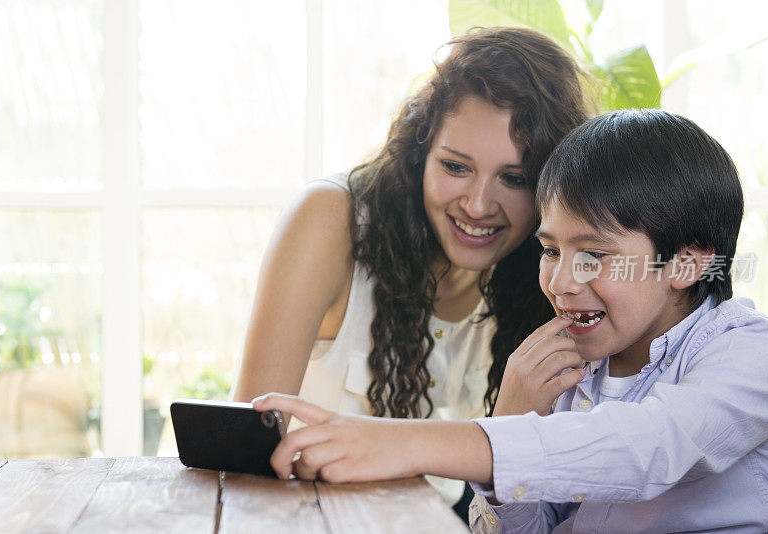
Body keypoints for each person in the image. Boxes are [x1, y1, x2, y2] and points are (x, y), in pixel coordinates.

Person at [252, 109, 768, 532]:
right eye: (550, 250)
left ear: (687, 263)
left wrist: (412, 443)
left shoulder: (754, 357)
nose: (560, 282)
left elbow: (647, 446)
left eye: (593, 255)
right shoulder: (572, 371)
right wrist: (510, 417)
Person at [231, 27, 592, 516]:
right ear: (420, 152)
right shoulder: (330, 221)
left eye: (513, 179)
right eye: (455, 167)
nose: (479, 204)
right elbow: (242, 450)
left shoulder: (547, 274)